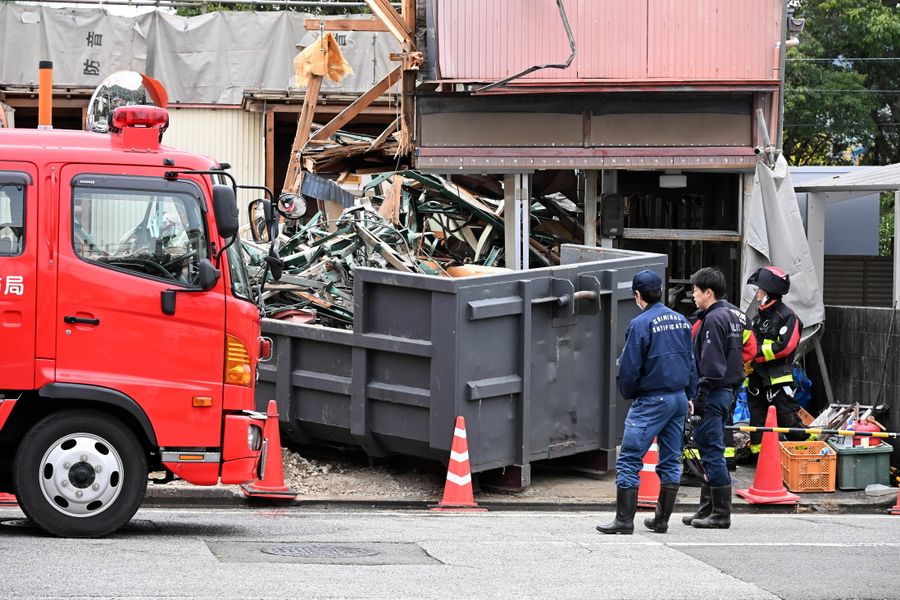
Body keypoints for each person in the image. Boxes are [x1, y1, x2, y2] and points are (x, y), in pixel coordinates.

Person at [597, 270, 697, 535]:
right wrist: (690, 394)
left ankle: (624, 520)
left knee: (629, 458)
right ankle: (661, 520)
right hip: (678, 398)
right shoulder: (681, 321)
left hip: (652, 400)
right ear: (660, 291)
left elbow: (629, 367)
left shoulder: (640, 324)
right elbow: (691, 361)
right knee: (670, 460)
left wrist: (630, 393)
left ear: (637, 295)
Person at [681, 268, 746, 529]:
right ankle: (707, 508)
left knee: (710, 450)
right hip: (727, 391)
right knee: (709, 448)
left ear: (708, 292)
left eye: (695, 290)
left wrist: (701, 394)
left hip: (714, 392)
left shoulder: (713, 319)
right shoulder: (730, 316)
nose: (693, 295)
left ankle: (720, 513)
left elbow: (711, 364)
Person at [745, 266, 806, 449]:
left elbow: (784, 347)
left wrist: (755, 354)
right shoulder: (757, 318)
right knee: (757, 421)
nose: (756, 293)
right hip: (756, 378)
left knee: (788, 419)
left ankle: (803, 453)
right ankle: (758, 457)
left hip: (778, 379)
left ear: (769, 291)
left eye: (759, 289)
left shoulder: (788, 317)